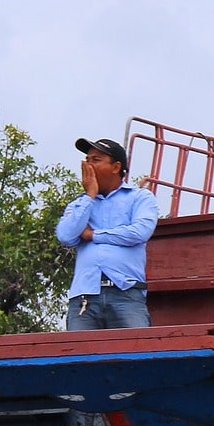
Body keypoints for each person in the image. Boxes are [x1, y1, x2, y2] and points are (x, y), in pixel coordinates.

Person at [56, 138, 161, 330]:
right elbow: (65, 235)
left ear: (115, 167)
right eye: (87, 160)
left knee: (136, 354)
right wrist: (90, 195)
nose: (88, 165)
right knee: (80, 357)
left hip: (126, 293)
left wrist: (93, 235)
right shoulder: (80, 203)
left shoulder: (139, 197)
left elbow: (139, 232)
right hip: (84, 296)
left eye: (96, 160)